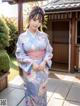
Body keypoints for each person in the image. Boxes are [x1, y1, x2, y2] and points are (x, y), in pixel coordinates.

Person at [15, 6, 53, 106]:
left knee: (42, 93)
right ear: (29, 19)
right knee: (31, 93)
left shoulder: (44, 36)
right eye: (34, 19)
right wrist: (32, 63)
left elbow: (49, 51)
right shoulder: (22, 37)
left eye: (39, 21)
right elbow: (19, 54)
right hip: (30, 71)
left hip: (42, 69)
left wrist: (44, 62)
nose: (36, 23)